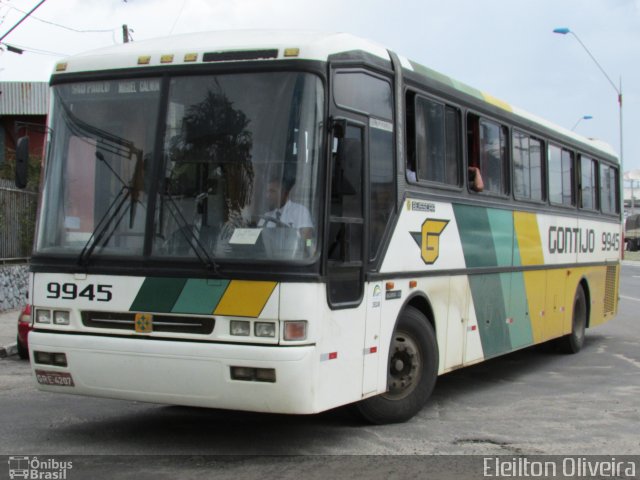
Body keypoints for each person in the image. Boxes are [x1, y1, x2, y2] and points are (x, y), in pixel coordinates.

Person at [258, 176, 313, 240]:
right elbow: (258, 240)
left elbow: (308, 240)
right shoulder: (266, 217)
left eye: (272, 191)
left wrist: (308, 246)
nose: (268, 195)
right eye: (267, 192)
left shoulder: (301, 212)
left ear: (285, 193)